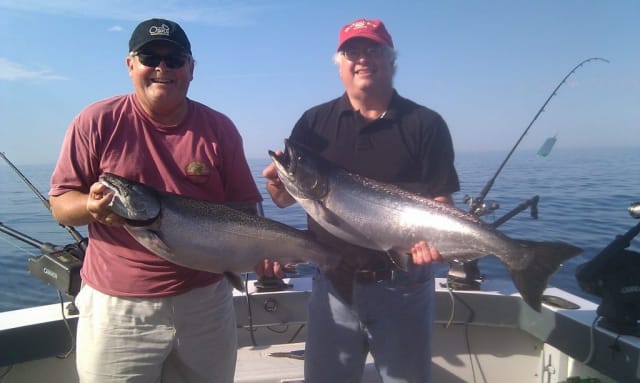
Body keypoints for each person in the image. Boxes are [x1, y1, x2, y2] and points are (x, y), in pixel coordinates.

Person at [49, 18, 262, 383]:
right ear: (131, 65)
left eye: (174, 59)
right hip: (118, 311)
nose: (162, 68)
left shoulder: (219, 128)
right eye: (150, 56)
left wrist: (263, 254)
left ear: (191, 69)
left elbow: (247, 211)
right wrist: (91, 208)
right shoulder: (96, 122)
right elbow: (61, 204)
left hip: (206, 304)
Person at [262, 18, 460, 382]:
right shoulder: (313, 122)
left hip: (405, 287)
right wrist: (278, 184)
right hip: (332, 286)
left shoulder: (425, 124)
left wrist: (438, 241)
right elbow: (285, 200)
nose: (362, 59)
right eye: (351, 51)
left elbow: (439, 198)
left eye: (374, 50)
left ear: (391, 60)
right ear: (340, 64)